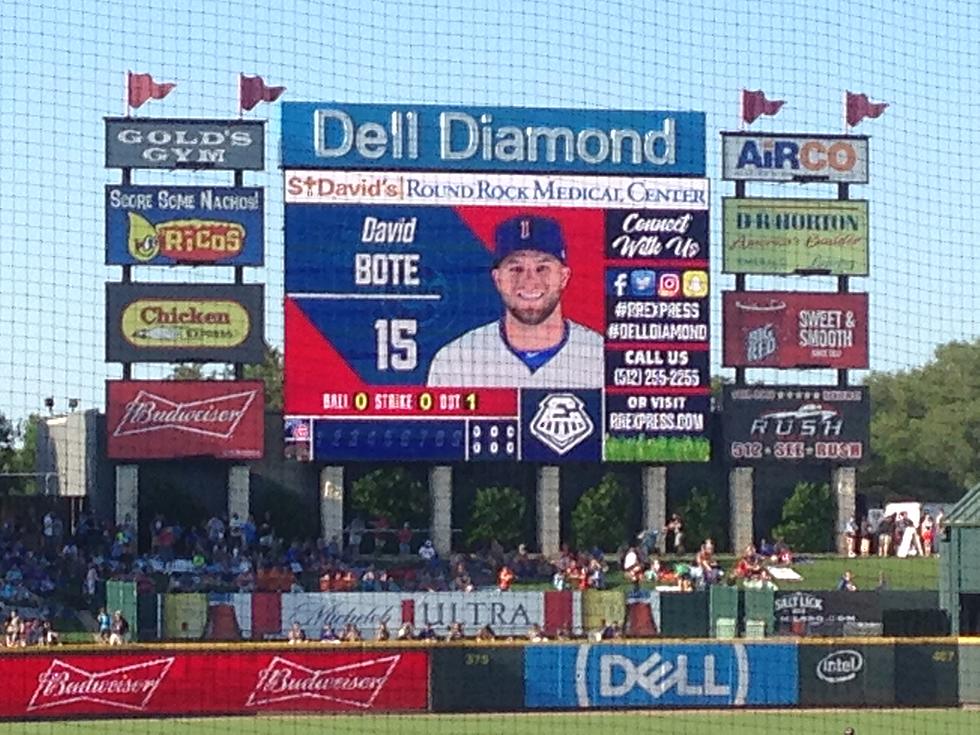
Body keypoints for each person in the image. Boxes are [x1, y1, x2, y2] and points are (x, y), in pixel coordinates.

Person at [427, 215, 603, 388]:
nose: (529, 282)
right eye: (516, 268)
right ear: (497, 279)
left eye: (542, 268)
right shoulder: (455, 359)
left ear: (564, 277)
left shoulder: (602, 357)